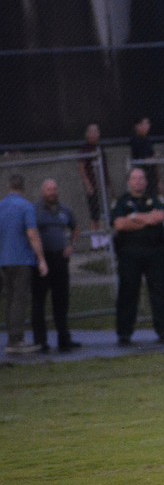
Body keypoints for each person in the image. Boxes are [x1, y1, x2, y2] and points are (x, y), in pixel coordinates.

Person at [110, 168, 164, 346]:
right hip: (129, 253)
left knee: (159, 291)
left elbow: (160, 217)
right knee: (128, 292)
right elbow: (119, 224)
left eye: (141, 178)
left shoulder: (155, 199)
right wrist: (147, 219)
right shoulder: (121, 202)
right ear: (129, 182)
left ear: (145, 182)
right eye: (134, 178)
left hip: (154, 252)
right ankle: (124, 333)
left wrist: (135, 217)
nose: (138, 182)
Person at [32, 178, 81, 353]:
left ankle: (64, 339)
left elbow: (75, 229)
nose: (52, 192)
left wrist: (71, 245)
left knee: (61, 299)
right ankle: (40, 341)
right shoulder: (35, 211)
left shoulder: (64, 211)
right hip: (42, 260)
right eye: (48, 189)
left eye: (54, 189)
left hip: (60, 259)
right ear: (42, 192)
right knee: (39, 300)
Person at [0, 175, 48, 354]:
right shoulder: (26, 207)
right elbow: (32, 234)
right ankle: (16, 339)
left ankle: (12, 335)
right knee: (20, 300)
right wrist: (41, 259)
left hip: (4, 259)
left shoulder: (1, 207)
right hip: (21, 259)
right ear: (23, 187)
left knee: (10, 299)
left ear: (9, 186)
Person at [77, 123, 111, 248]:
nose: (95, 134)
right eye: (92, 131)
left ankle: (103, 237)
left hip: (102, 185)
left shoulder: (100, 148)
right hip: (93, 186)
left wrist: (108, 184)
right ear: (87, 134)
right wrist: (88, 185)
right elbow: (81, 169)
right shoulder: (84, 149)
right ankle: (94, 241)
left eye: (97, 131)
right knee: (94, 214)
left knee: (104, 212)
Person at [129, 116, 162, 197]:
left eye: (148, 124)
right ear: (138, 126)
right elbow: (142, 160)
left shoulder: (148, 140)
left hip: (152, 177)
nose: (147, 126)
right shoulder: (135, 141)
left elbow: (154, 163)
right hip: (142, 177)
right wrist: (153, 158)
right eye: (145, 124)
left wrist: (158, 180)